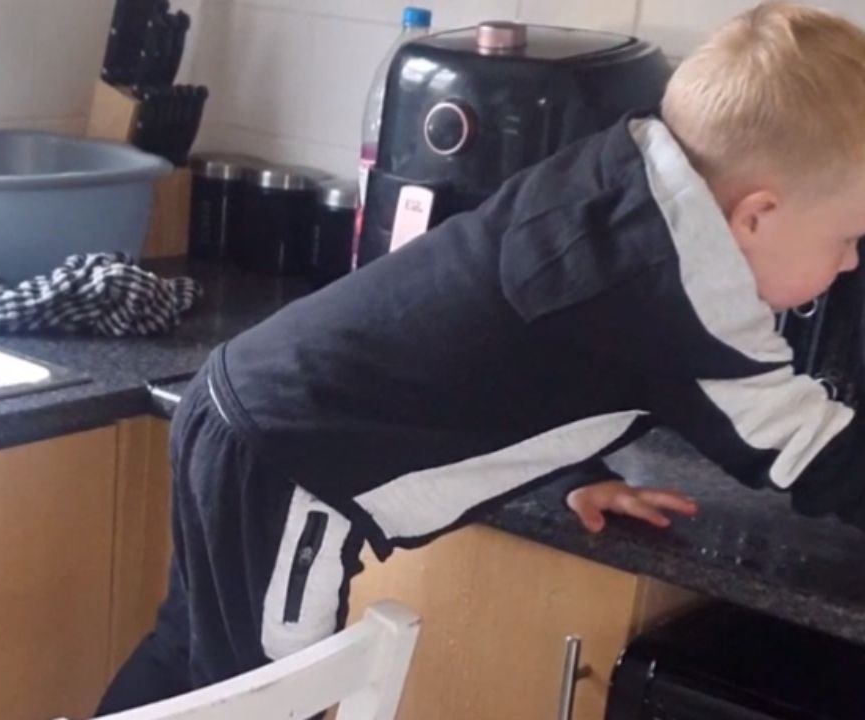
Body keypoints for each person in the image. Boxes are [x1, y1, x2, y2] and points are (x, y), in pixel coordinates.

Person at [97, 2, 865, 713]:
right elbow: (816, 457)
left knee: (197, 661)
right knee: (272, 701)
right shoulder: (693, 296)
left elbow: (508, 338)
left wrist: (571, 467)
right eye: (848, 238)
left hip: (245, 404)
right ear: (757, 215)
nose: (852, 264)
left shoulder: (623, 178)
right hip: (293, 466)